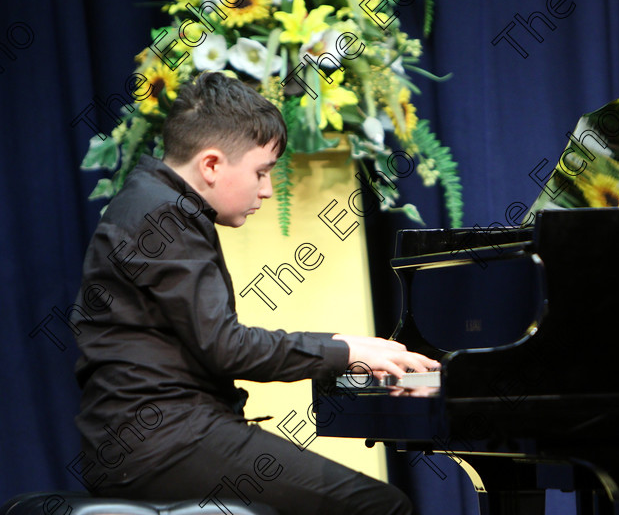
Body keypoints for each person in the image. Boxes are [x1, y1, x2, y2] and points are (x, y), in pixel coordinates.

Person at [70, 72, 438, 515]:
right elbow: (226, 348)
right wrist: (343, 352)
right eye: (261, 172)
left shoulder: (155, 202)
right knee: (381, 506)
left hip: (153, 438)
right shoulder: (164, 216)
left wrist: (352, 347)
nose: (266, 190)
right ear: (211, 165)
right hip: (161, 444)